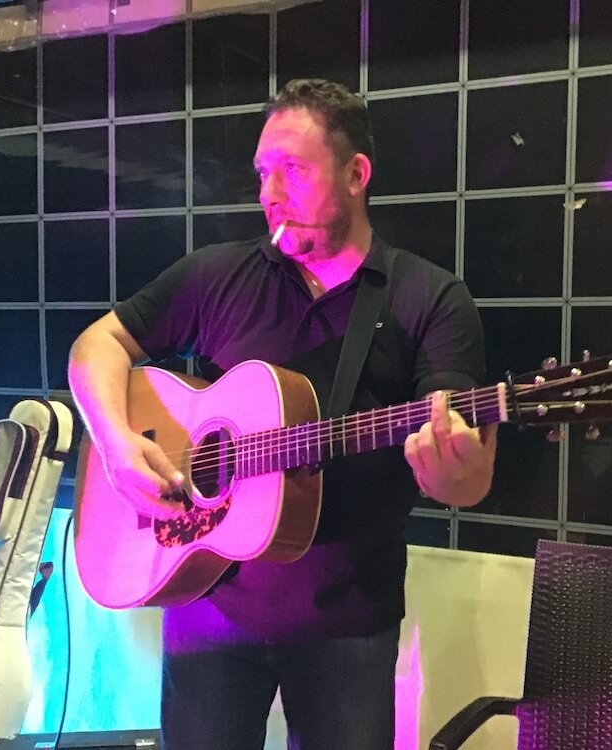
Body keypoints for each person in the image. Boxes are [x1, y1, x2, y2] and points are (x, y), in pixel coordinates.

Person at [67, 78, 497, 749]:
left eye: (292, 170)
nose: (269, 192)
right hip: (208, 603)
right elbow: (98, 345)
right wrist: (117, 445)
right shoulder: (216, 276)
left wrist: (453, 469)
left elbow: (464, 475)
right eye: (262, 172)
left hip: (347, 620)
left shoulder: (429, 298)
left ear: (356, 174)